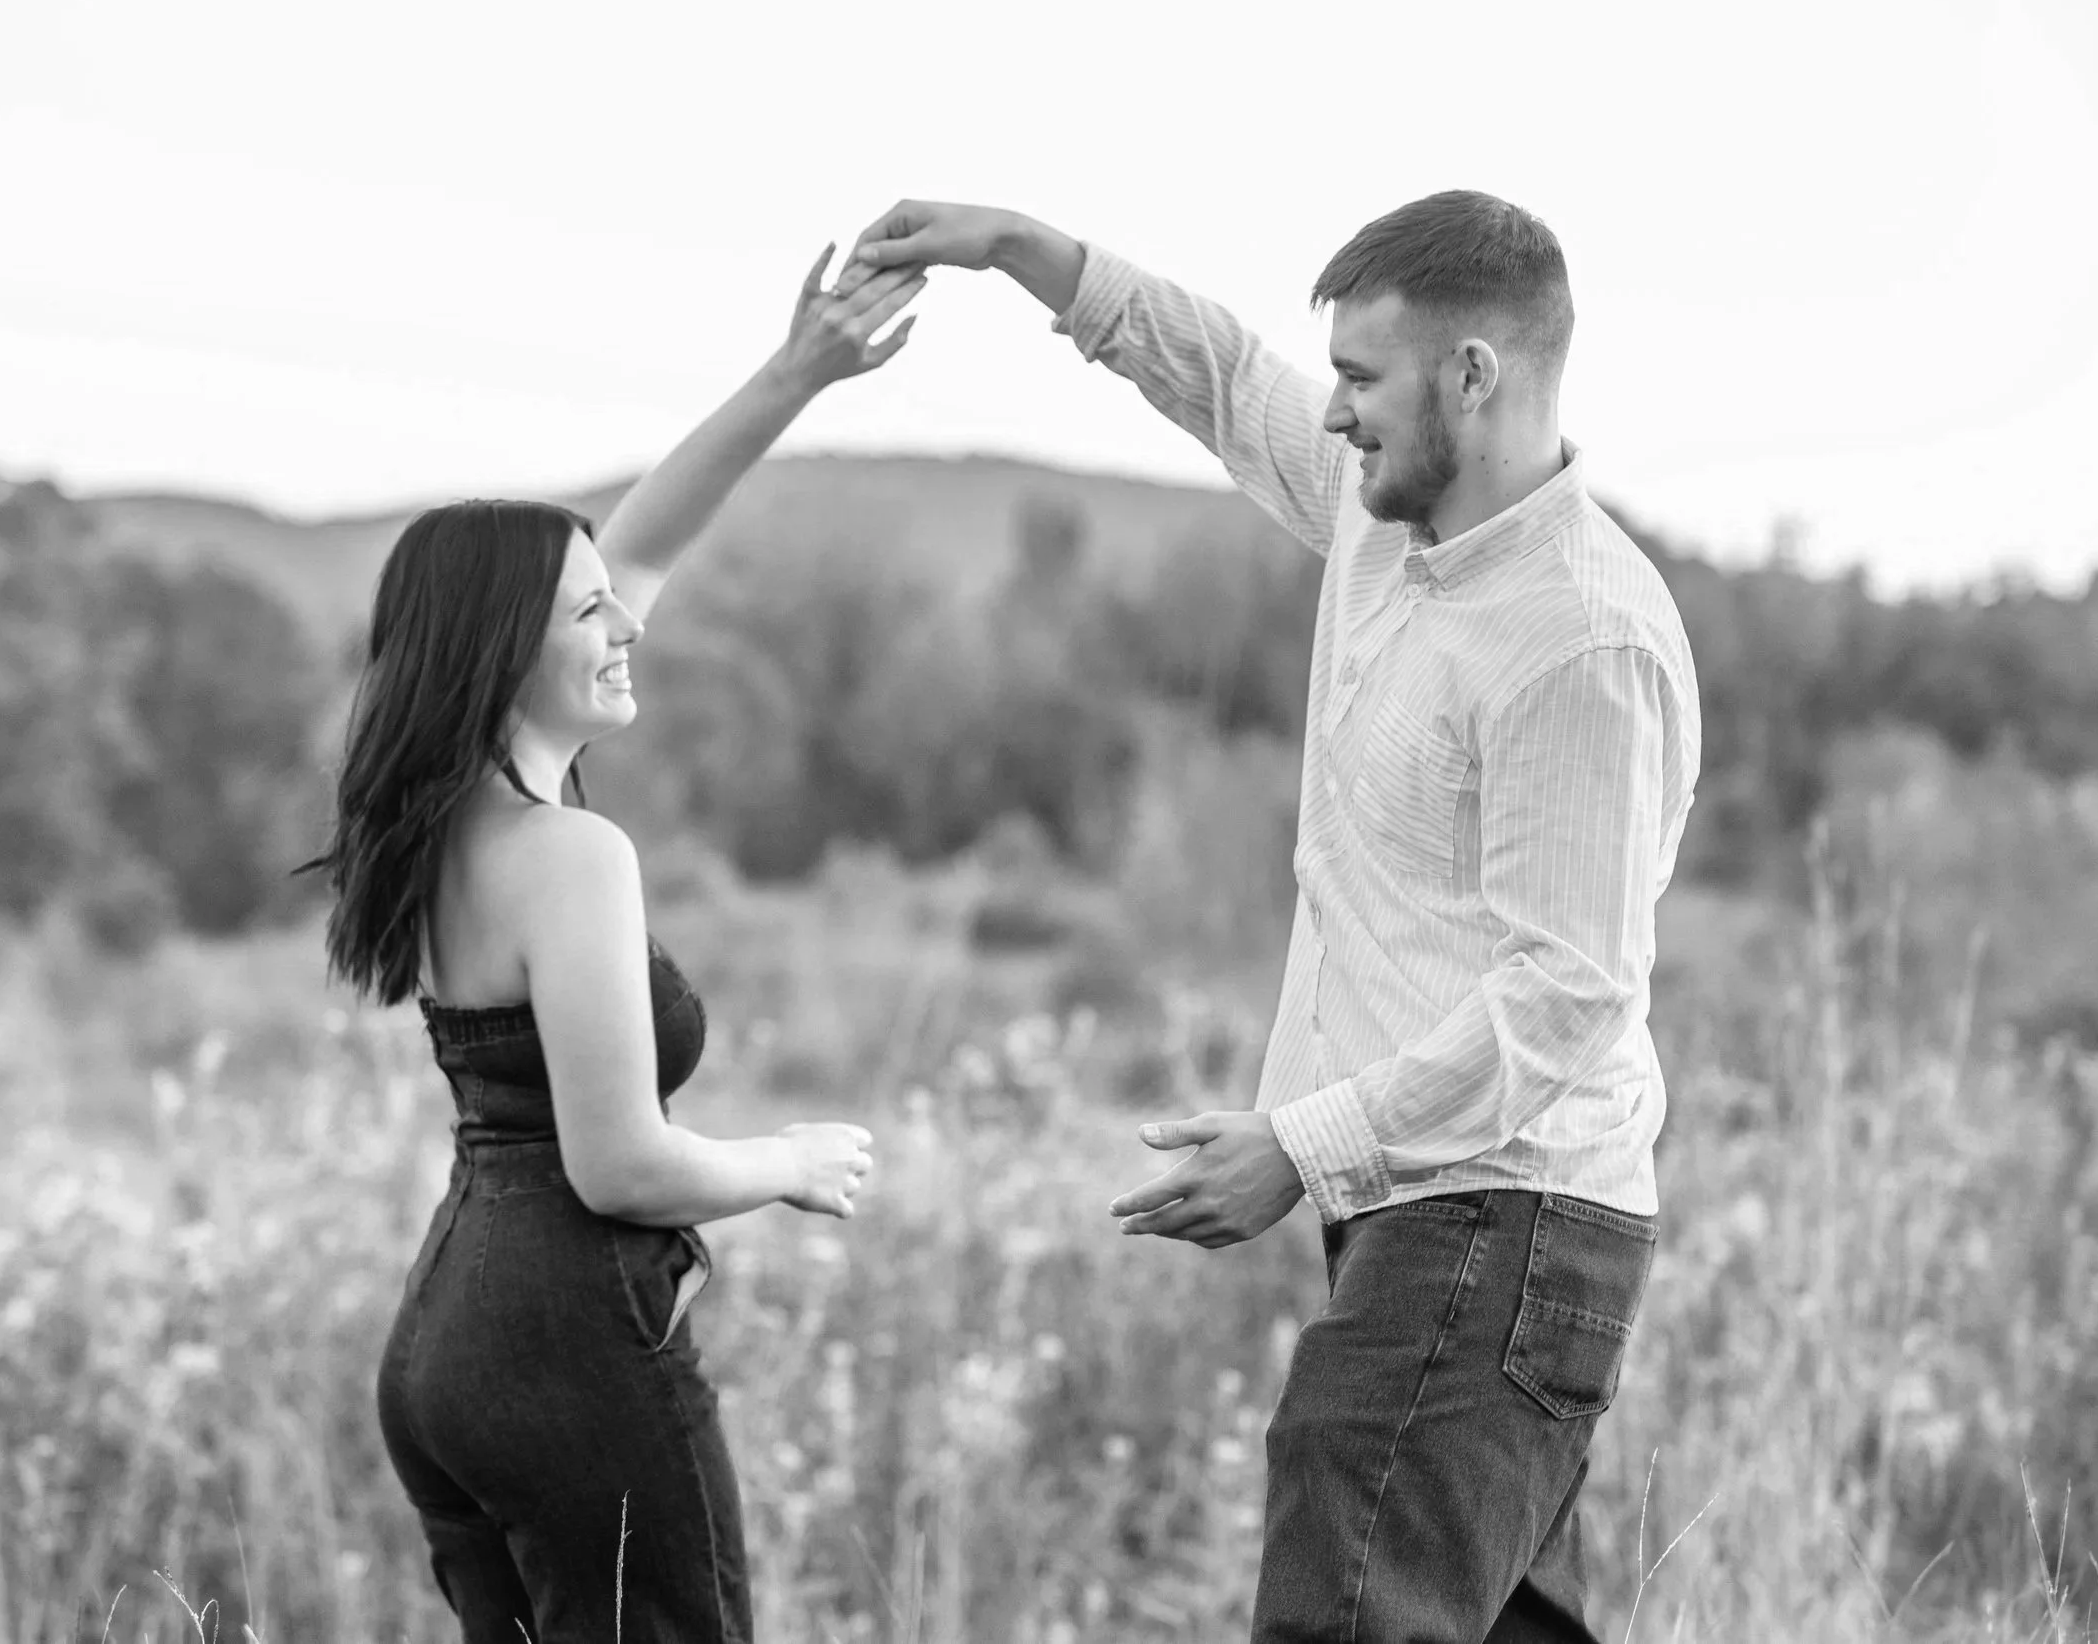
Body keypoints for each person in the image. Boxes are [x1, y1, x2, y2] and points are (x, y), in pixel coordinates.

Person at [840, 194, 1700, 1643]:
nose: (1341, 414)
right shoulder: (1393, 525)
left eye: (1364, 378)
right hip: (1440, 1212)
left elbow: (1568, 1001)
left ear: (1475, 374)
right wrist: (1014, 249)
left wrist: (1300, 1143)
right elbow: (1229, 376)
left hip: (1504, 1210)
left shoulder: (1583, 638)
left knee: (1345, 1606)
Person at [305, 247, 925, 1643]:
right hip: (565, 1352)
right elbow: (622, 1162)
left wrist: (798, 371)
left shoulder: (449, 825)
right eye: (590, 614)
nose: (627, 621)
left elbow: (646, 537)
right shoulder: (574, 854)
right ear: (504, 653)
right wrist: (791, 1162)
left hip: (447, 1353)